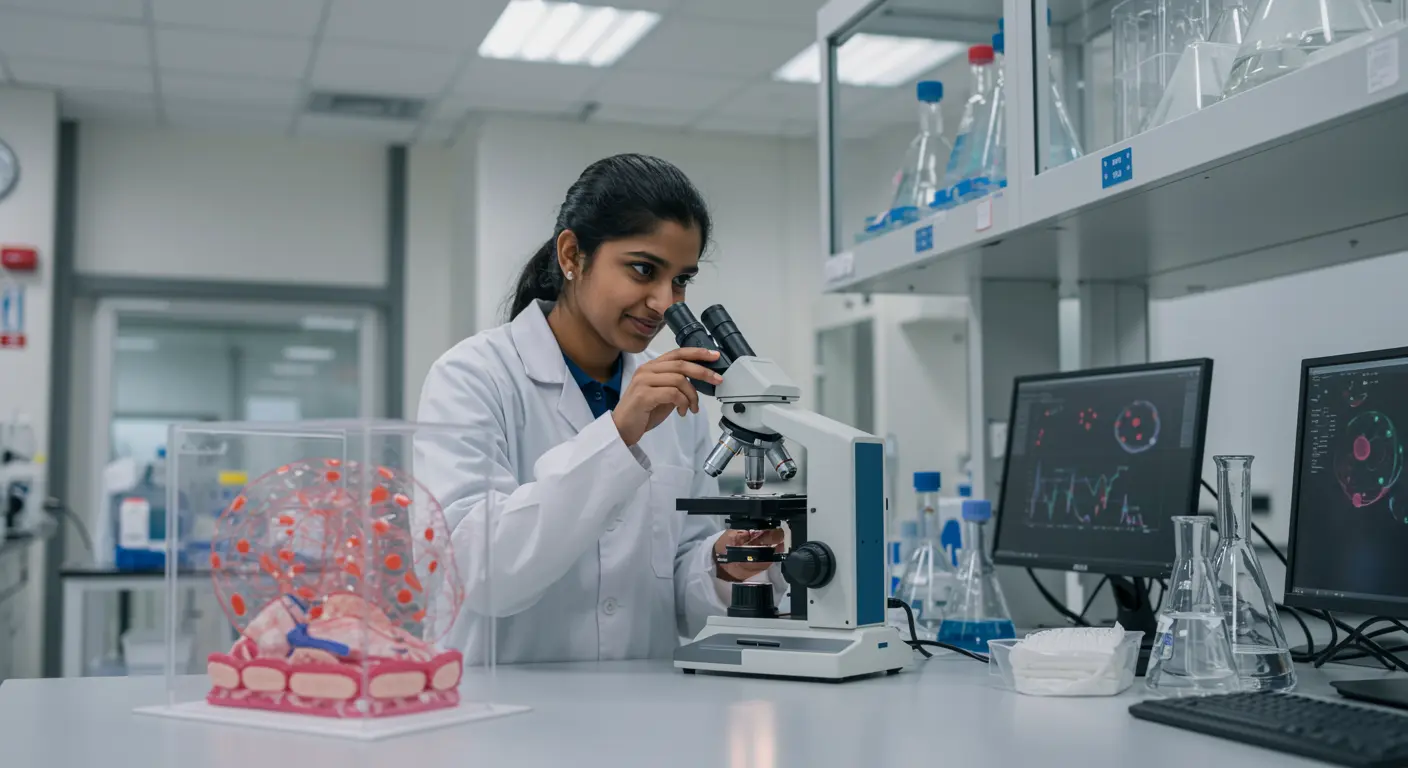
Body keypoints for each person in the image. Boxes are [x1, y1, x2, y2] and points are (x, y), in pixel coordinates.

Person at [415, 153, 786, 663]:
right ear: (573, 255)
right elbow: (479, 575)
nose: (664, 302)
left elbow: (679, 581)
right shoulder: (472, 376)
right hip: (507, 715)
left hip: (640, 713)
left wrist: (723, 566)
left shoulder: (676, 398)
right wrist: (617, 434)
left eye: (680, 280)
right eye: (642, 269)